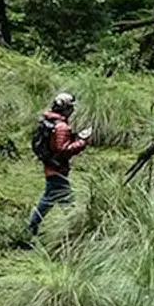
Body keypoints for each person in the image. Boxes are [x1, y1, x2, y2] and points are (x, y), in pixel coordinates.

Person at [27, 92, 91, 237]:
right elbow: (63, 150)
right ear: (66, 108)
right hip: (57, 169)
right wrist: (82, 141)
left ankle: (32, 229)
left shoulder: (49, 121)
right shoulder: (62, 127)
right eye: (71, 108)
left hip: (51, 166)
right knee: (60, 201)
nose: (73, 111)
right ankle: (74, 229)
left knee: (52, 199)